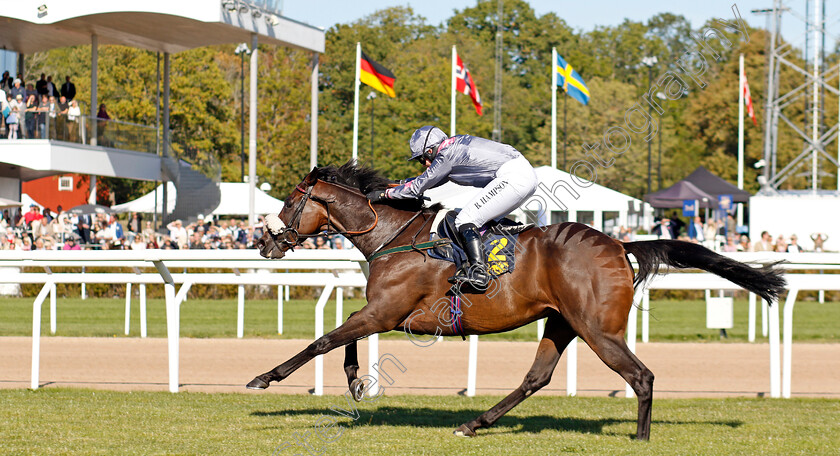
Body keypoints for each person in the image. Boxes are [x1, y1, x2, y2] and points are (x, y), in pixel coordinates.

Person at [367, 125, 538, 290]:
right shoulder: (452, 146)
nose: (425, 163)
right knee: (482, 220)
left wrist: (384, 195)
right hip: (522, 175)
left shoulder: (446, 154)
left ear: (430, 150)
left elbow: (420, 185)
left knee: (465, 219)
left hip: (513, 177)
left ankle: (478, 271)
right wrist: (399, 184)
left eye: (422, 158)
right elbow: (433, 179)